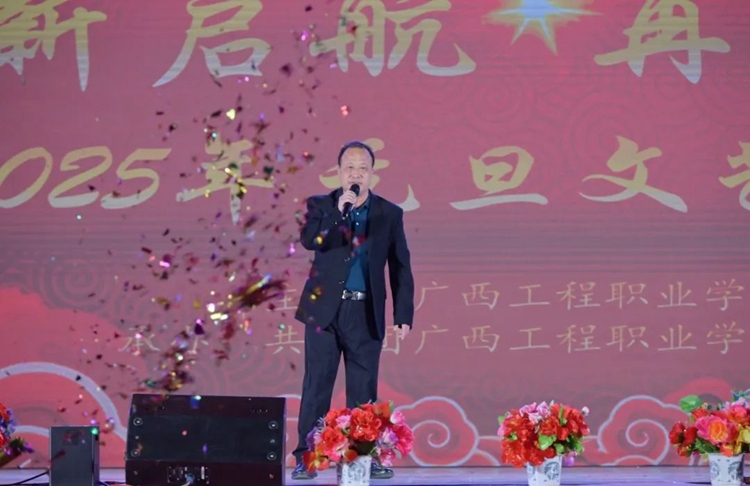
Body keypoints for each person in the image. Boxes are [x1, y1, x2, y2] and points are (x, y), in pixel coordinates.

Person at [291, 141, 415, 480]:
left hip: (365, 312)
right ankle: (307, 457)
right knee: (317, 386)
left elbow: (400, 266)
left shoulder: (389, 214)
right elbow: (311, 241)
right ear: (339, 172)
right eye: (349, 168)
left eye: (362, 168)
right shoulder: (321, 206)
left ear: (372, 173)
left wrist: (403, 315)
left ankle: (365, 457)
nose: (355, 174)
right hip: (324, 314)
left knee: (364, 391)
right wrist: (338, 212)